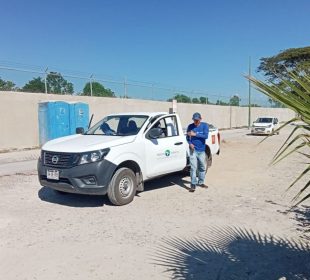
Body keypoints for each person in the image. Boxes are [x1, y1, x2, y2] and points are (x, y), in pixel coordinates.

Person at [186, 112, 209, 192]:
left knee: (202, 166)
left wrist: (195, 134)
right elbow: (187, 137)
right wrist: (190, 143)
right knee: (193, 167)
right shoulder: (190, 126)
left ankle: (201, 182)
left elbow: (206, 136)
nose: (195, 122)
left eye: (197, 120)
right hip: (193, 150)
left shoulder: (205, 126)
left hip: (201, 150)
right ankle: (193, 185)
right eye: (194, 120)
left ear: (200, 119)